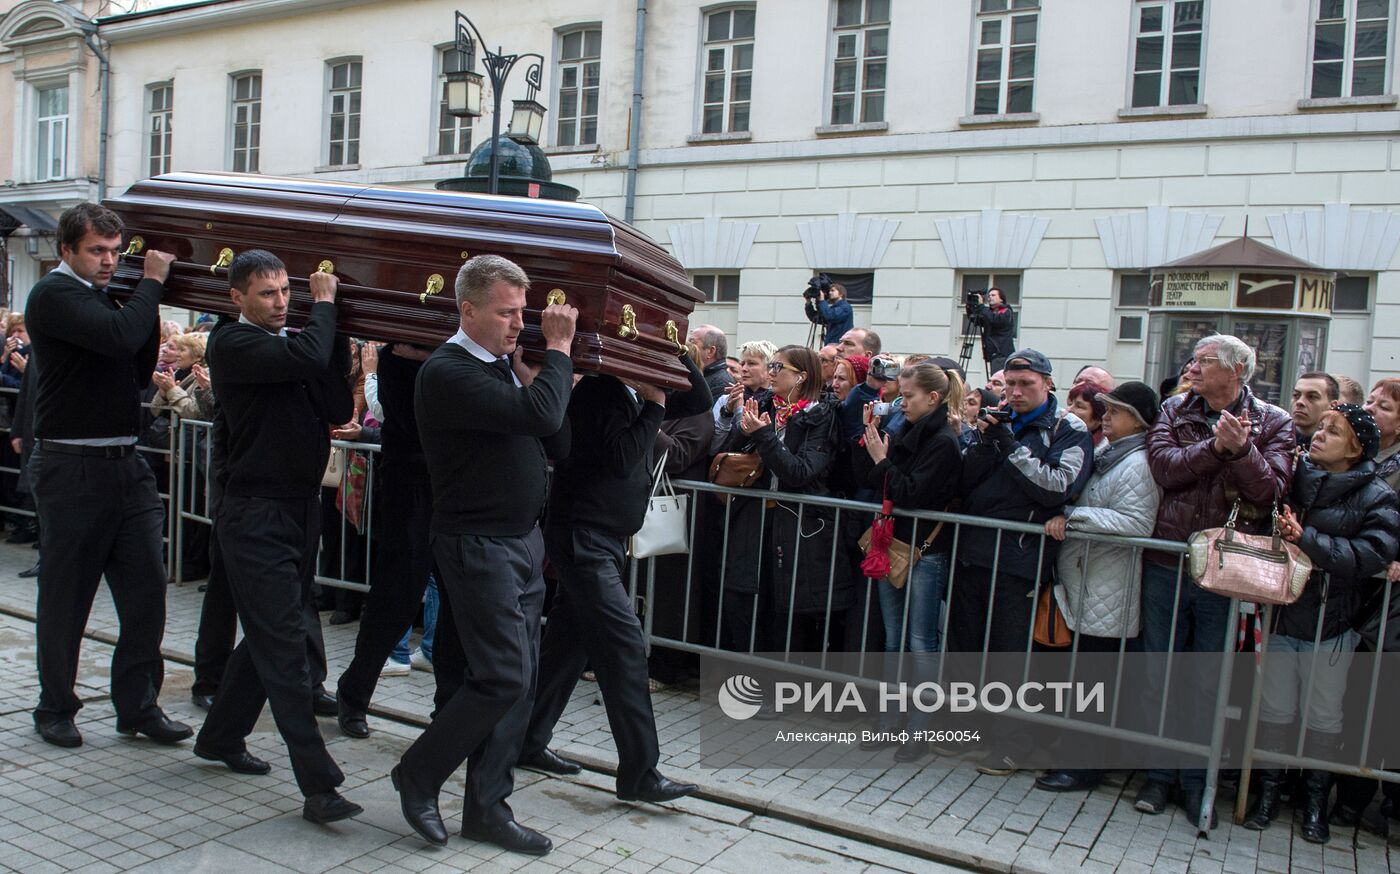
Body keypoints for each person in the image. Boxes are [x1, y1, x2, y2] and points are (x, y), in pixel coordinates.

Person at [391, 255, 576, 854]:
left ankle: (488, 808)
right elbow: (543, 414)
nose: (519, 324)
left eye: (523, 312)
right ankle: (418, 772)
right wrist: (561, 350)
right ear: (467, 310)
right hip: (478, 544)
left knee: (519, 684)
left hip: (522, 542)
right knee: (500, 676)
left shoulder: (502, 367)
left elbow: (557, 436)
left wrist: (531, 372)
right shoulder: (448, 371)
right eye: (506, 312)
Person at [194, 250, 361, 825]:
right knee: (285, 643)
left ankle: (219, 737)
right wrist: (328, 306)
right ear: (236, 298)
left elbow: (337, 404)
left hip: (298, 509)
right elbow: (311, 352)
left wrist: (337, 332)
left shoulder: (292, 347)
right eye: (267, 294)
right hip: (254, 513)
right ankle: (319, 785)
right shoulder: (233, 345)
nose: (281, 302)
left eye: (287, 291)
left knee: (269, 634)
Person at [25, 203, 191, 750]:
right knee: (68, 595)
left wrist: (141, 294)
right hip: (72, 466)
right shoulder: (54, 295)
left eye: (115, 251)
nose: (107, 260)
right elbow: (122, 337)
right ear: (67, 249)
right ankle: (55, 706)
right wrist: (150, 282)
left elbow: (136, 357)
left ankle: (138, 706)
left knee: (146, 596)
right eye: (97, 250)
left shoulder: (105, 297)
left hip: (126, 464)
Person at [519, 345, 709, 806]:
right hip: (585, 538)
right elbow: (622, 456)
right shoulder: (602, 393)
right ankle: (640, 773)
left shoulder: (628, 390)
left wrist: (670, 342)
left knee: (568, 644)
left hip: (601, 538)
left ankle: (525, 741)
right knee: (625, 646)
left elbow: (699, 400)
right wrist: (655, 404)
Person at [1137, 334, 1295, 828]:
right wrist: (1215, 447)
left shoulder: (1274, 421)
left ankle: (1196, 781)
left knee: (1208, 682)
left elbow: (1270, 489)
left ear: (1237, 371)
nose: (1193, 367)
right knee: (1159, 674)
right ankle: (1157, 777)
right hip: (1169, 562)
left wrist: (1242, 449)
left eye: (1204, 361)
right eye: (1195, 359)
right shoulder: (1175, 409)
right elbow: (1164, 469)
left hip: (1225, 573)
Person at [1243, 405, 1398, 844]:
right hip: (1283, 615)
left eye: (1334, 431)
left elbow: (1371, 555)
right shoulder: (1294, 479)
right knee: (1274, 711)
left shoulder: (1377, 495)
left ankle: (1315, 806)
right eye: (1322, 427)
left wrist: (1305, 539)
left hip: (1331, 626)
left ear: (1356, 446)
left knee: (1323, 717)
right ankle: (1268, 797)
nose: (1320, 435)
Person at [950, 348, 1094, 775]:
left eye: (1025, 385)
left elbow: (1055, 488)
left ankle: (1013, 743)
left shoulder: (1069, 428)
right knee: (965, 650)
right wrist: (982, 440)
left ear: (1048, 384)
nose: (1014, 393)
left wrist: (1009, 446)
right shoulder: (998, 418)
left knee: (1011, 660)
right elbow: (964, 481)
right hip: (974, 550)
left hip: (1021, 558)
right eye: (1009, 384)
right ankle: (968, 730)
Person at [1034, 382, 1163, 793]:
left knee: (1094, 684)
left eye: (1115, 411)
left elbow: (1137, 523)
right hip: (1086, 585)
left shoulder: (1139, 463)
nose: (1105, 417)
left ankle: (1083, 768)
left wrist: (1074, 517)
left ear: (1137, 420)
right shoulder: (1110, 455)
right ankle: (1070, 757)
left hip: (1108, 588)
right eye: (1104, 410)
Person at [335, 339, 467, 737]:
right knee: (395, 598)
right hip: (409, 490)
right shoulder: (395, 363)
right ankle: (354, 693)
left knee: (457, 602)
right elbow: (411, 420)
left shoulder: (456, 360)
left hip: (451, 490)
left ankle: (447, 708)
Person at [852, 361, 964, 762]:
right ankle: (888, 723)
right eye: (900, 395)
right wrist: (868, 440)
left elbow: (914, 493)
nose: (902, 403)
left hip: (924, 552)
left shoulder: (944, 442)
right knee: (894, 639)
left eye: (909, 396)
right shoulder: (903, 429)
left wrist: (883, 459)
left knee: (921, 644)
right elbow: (871, 479)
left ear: (932, 398)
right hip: (893, 544)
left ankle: (919, 729)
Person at [718, 346, 849, 653]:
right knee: (744, 598)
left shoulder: (821, 415)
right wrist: (737, 421)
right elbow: (733, 453)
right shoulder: (765, 404)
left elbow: (800, 471)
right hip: (754, 516)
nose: (772, 373)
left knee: (786, 609)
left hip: (796, 525)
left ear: (801, 377)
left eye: (779, 368)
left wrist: (764, 436)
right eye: (772, 366)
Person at [710, 340, 776, 453]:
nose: (744, 369)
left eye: (752, 363)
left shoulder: (778, 403)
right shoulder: (727, 398)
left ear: (770, 369)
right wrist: (727, 413)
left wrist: (740, 411)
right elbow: (712, 448)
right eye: (742, 364)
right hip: (725, 467)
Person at [968, 287, 1015, 375]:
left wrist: (981, 306)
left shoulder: (1006, 311)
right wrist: (970, 307)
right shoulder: (989, 312)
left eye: (993, 295)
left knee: (999, 381)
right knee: (994, 379)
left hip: (1001, 354)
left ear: (1001, 299)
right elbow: (976, 321)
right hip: (993, 354)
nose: (990, 297)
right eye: (989, 295)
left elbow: (994, 320)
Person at [1291, 371, 1339, 449]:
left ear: (1332, 405)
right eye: (1296, 395)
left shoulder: (1337, 452)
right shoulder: (1274, 439)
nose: (1300, 402)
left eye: (1312, 396)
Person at [687, 324, 733, 398]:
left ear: (711, 351)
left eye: (692, 342)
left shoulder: (721, 383)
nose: (686, 347)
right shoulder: (699, 374)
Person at [808, 282, 853, 346]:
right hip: (832, 343)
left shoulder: (845, 307)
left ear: (841, 294)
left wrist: (822, 301)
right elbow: (815, 318)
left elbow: (831, 316)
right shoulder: (832, 309)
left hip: (839, 345)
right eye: (829, 291)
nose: (829, 293)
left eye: (833, 290)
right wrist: (808, 303)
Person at [1066, 380, 1109, 447]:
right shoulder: (1059, 435)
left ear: (1099, 418)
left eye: (1079, 406)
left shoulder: (1106, 449)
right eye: (1070, 404)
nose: (1069, 410)